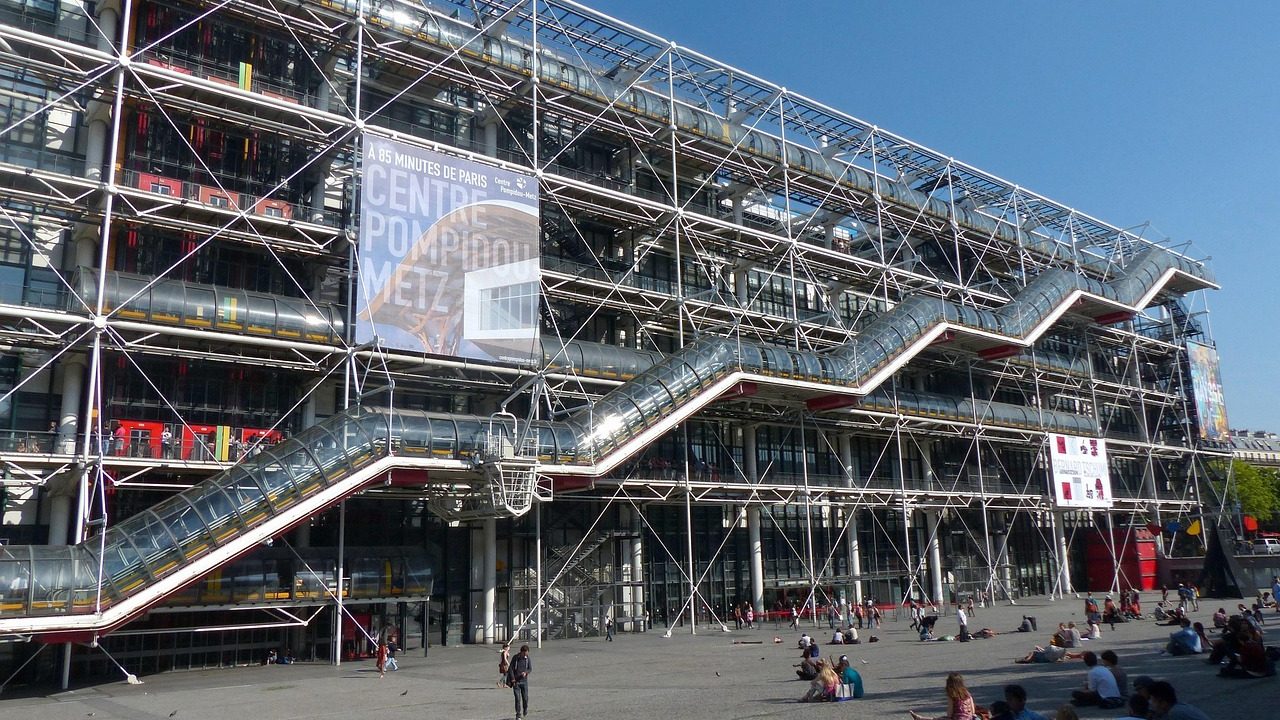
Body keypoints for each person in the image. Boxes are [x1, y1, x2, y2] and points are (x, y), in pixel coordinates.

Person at [910, 672, 975, 720]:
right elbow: (973, 711)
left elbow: (949, 714)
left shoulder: (952, 696)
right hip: (969, 718)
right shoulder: (968, 695)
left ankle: (920, 718)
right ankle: (920, 718)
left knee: (939, 719)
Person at [1146, 680, 1210, 720]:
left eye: (1152, 700)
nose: (1150, 703)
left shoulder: (1175, 713)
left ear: (1163, 703)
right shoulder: (1177, 707)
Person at [506, 644, 532, 719]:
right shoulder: (515, 658)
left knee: (525, 698)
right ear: (522, 652)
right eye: (525, 653)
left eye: (527, 653)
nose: (526, 655)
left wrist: (526, 672)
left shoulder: (527, 659)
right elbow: (510, 669)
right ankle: (518, 714)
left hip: (524, 681)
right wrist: (513, 679)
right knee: (517, 698)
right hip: (516, 682)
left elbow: (530, 668)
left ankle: (525, 708)